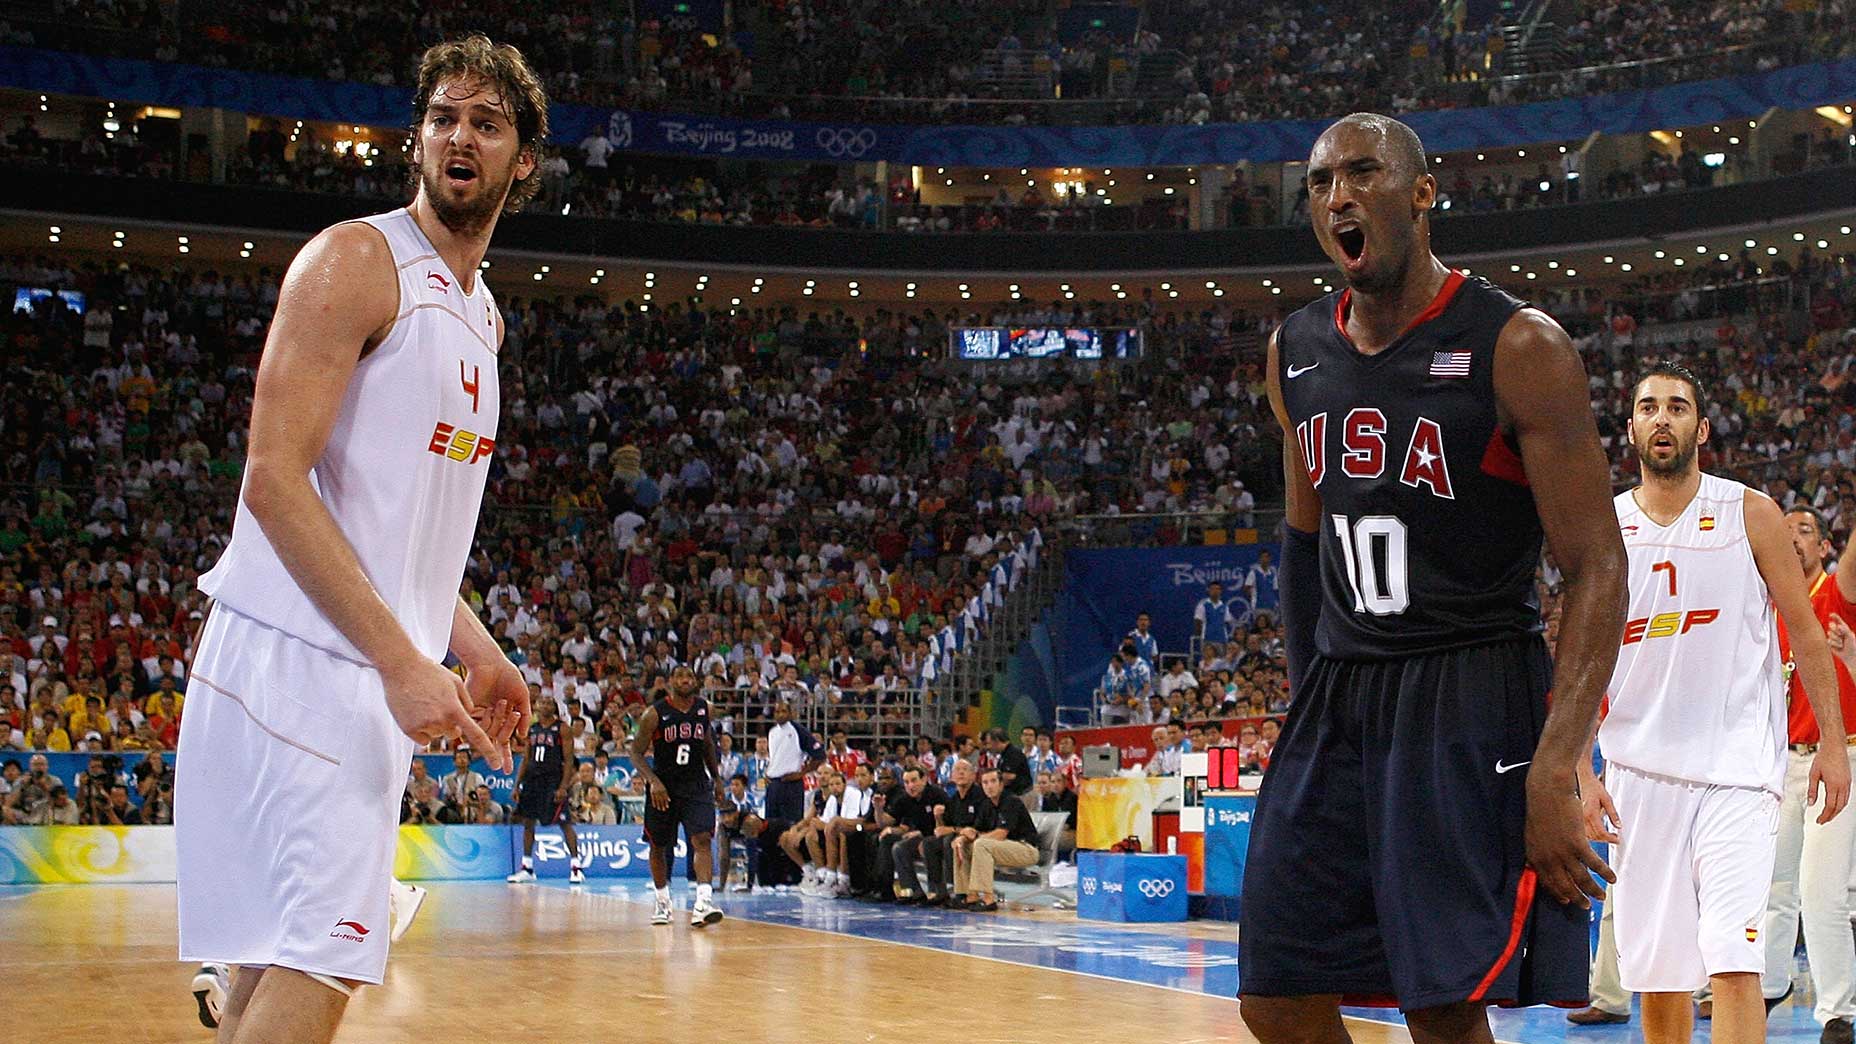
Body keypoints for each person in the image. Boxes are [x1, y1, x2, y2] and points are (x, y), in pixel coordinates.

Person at [175, 35, 541, 1043]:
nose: (460, 136)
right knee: (327, 961)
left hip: (354, 674)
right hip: (300, 660)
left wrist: (475, 652)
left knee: (277, 974)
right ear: (416, 138)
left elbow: (398, 531)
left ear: (525, 161)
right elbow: (272, 481)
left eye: (487, 122)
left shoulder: (482, 319)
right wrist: (398, 659)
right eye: (443, 117)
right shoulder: (355, 260)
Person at [1240, 112, 1628, 1043]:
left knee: (1442, 1004)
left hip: (1467, 686)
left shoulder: (1518, 347)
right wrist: (1304, 701)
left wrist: (1559, 761)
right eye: (1322, 183)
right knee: (1275, 988)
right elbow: (1303, 545)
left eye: (1364, 173)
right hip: (1341, 690)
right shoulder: (1295, 350)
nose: (1339, 196)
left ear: (1421, 192)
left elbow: (1597, 565)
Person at [1588, 363, 1849, 1044]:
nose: (1662, 418)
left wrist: (1830, 741)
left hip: (1737, 773)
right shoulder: (1607, 527)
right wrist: (1578, 770)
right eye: (1649, 407)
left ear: (1702, 427)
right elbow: (1586, 658)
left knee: (1735, 960)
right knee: (1662, 977)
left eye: (1677, 407)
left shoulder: (1749, 512)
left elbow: (1807, 633)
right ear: (1632, 428)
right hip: (1640, 776)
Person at [1762, 505, 1856, 1039]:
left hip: (1835, 756)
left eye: (1804, 529)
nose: (1791, 537)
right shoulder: (1774, 610)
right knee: (1774, 886)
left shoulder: (1837, 596)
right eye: (1784, 530)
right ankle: (1771, 984)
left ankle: (1837, 1011)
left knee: (1822, 893)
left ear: (1823, 547)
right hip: (1782, 763)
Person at [630, 665, 725, 926]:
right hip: (665, 786)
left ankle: (703, 903)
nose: (685, 680)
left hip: (696, 784)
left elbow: (707, 744)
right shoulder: (655, 713)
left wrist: (716, 778)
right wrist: (653, 781)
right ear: (671, 681)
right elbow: (636, 752)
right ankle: (662, 902)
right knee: (658, 845)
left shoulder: (705, 708)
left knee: (702, 839)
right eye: (680, 676)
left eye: (690, 676)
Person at [506, 698, 587, 884]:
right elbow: (526, 759)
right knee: (528, 822)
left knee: (565, 823)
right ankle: (527, 868)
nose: (545, 705)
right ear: (536, 706)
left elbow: (568, 760)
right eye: (542, 702)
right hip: (533, 780)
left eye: (550, 702)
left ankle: (576, 868)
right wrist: (517, 784)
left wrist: (563, 786)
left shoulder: (562, 728)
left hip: (553, 780)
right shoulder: (532, 729)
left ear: (555, 707)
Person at [952, 768, 1041, 911]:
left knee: (981, 844)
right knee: (960, 844)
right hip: (1003, 849)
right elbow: (975, 830)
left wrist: (975, 837)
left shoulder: (1011, 801)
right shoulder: (986, 805)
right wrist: (962, 837)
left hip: (1026, 849)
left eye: (993, 781)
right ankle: (966, 894)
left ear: (1001, 784)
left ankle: (988, 899)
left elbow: (1000, 834)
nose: (989, 786)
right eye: (985, 782)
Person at [922, 759, 988, 907]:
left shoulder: (979, 796)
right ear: (951, 776)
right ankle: (938, 890)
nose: (961, 772)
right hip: (958, 838)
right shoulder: (954, 799)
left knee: (950, 840)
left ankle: (958, 890)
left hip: (976, 838)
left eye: (965, 769)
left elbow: (974, 829)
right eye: (957, 770)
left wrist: (952, 830)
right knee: (929, 843)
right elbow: (942, 829)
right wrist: (938, 817)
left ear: (973, 775)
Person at [764, 698, 823, 822]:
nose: (780, 714)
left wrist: (801, 773)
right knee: (771, 824)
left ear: (790, 713)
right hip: (773, 784)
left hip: (791, 785)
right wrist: (769, 771)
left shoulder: (798, 730)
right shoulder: (772, 732)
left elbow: (819, 755)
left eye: (783, 711)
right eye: (777, 711)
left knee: (791, 824)